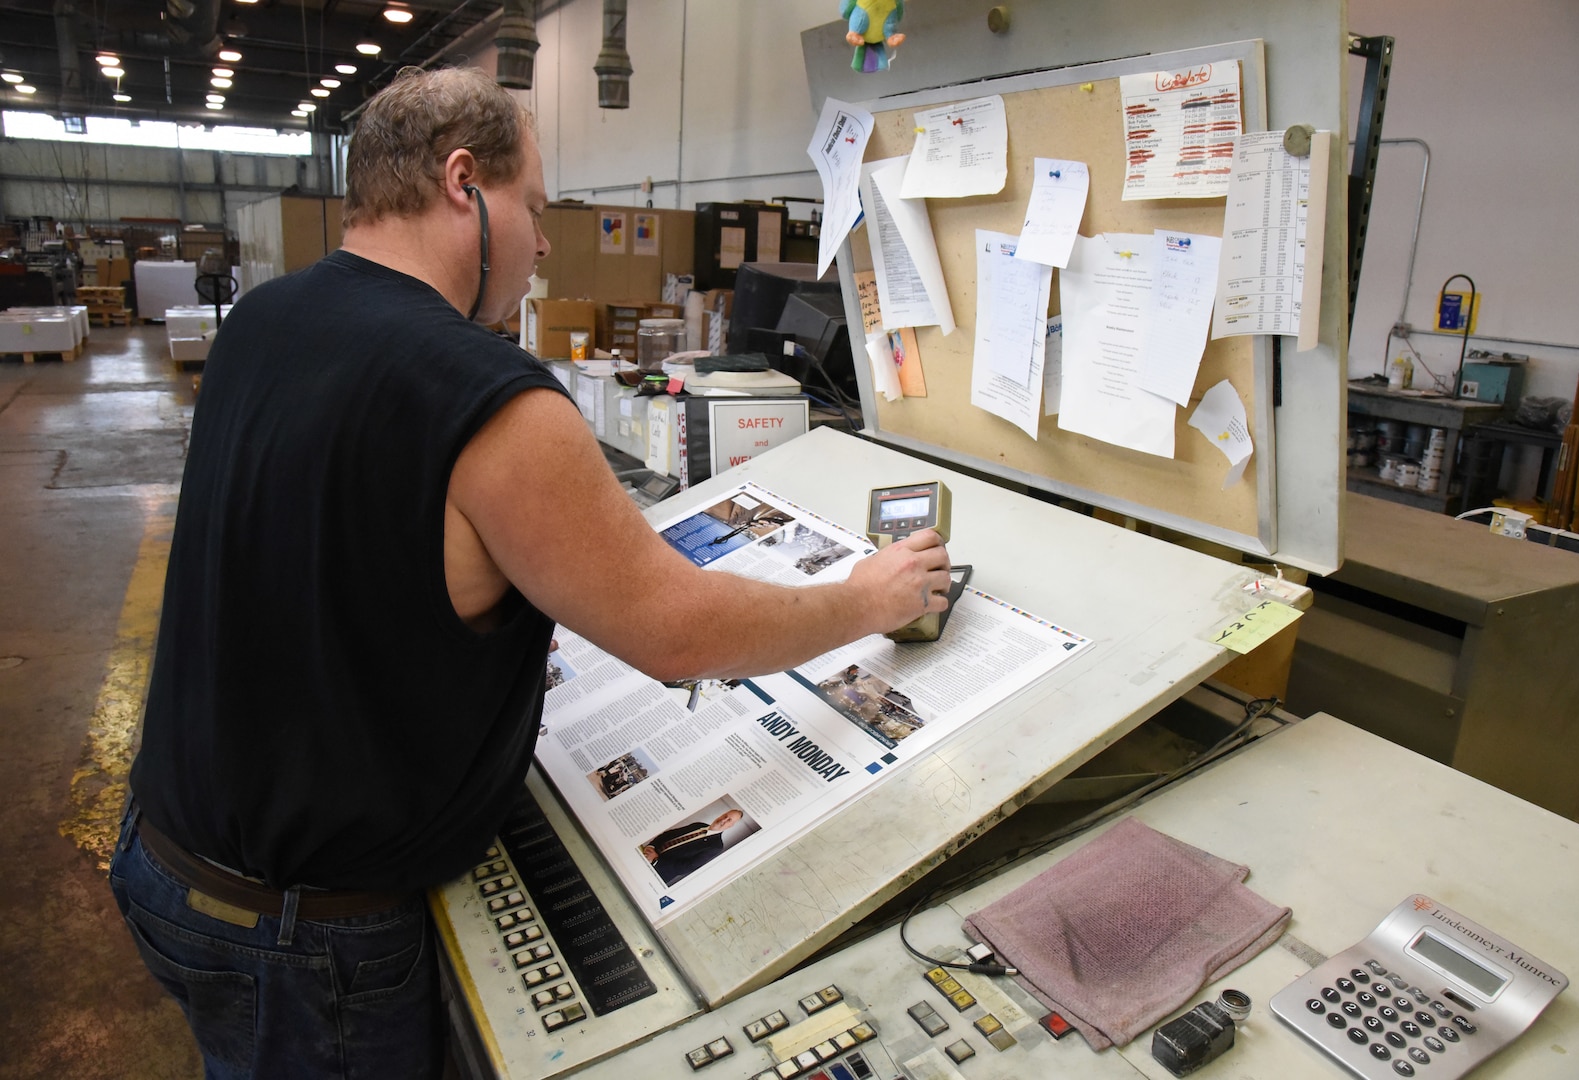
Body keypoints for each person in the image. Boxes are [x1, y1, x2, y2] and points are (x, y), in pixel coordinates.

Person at [108, 65, 950, 1079]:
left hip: (167, 856)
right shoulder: (484, 392)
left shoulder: (263, 323)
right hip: (306, 937)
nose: (546, 242)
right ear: (464, 184)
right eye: (535, 208)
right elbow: (673, 630)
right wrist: (865, 599)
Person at [640, 809, 747, 886]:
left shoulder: (716, 846)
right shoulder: (698, 825)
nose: (723, 820)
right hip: (645, 854)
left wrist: (655, 860)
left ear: (731, 826)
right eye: (725, 816)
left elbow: (688, 866)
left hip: (658, 872)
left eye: (729, 820)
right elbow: (669, 834)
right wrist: (651, 846)